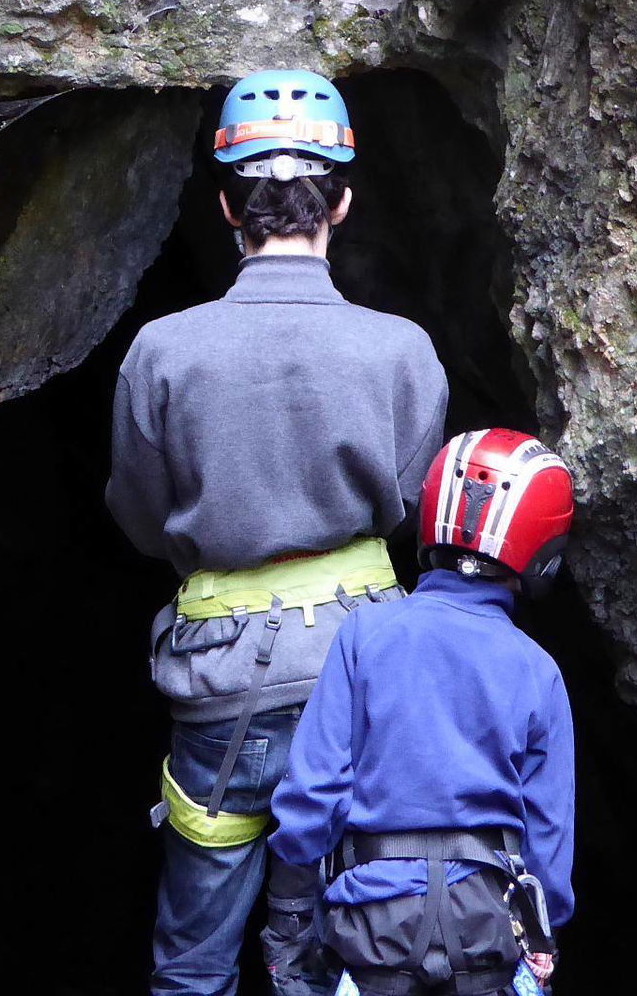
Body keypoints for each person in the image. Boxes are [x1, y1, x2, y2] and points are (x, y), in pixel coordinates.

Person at [107, 68, 450, 996]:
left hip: (224, 677)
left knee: (195, 954)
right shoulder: (401, 350)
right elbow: (420, 514)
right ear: (343, 201)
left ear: (226, 207)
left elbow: (138, 516)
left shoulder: (162, 352)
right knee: (362, 936)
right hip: (368, 665)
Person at [268, 428, 577, 996]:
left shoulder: (365, 633)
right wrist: (542, 936)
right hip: (489, 928)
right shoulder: (539, 671)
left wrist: (287, 924)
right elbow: (548, 841)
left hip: (371, 928)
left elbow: (312, 792)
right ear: (541, 548)